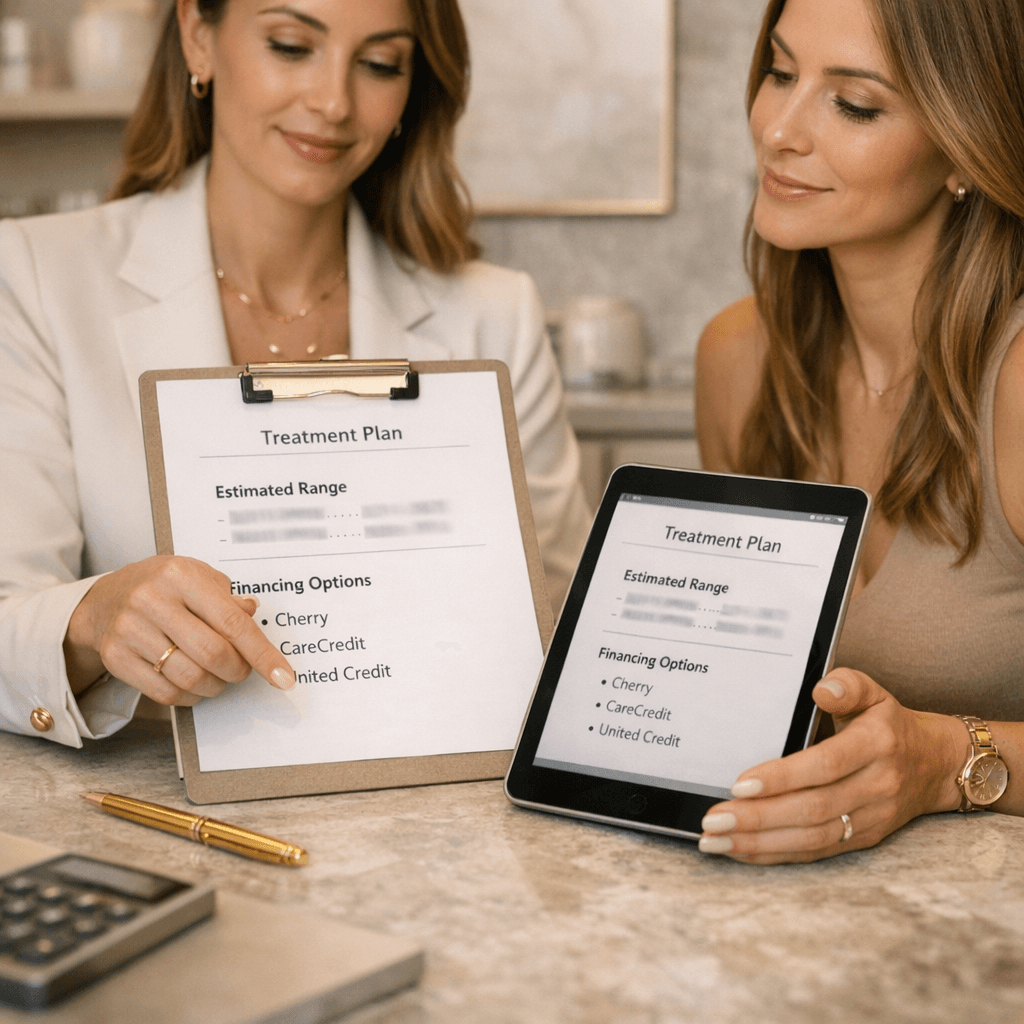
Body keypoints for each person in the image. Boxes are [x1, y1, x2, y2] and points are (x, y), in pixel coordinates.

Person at [0, 0, 590, 747]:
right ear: (198, 36)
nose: (333, 103)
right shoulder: (39, 277)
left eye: (380, 64)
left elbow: (561, 619)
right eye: (290, 45)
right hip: (152, 814)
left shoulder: (492, 313)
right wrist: (92, 622)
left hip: (426, 810)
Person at [695, 0, 1024, 862]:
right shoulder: (739, 359)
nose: (779, 130)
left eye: (856, 104)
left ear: (964, 144)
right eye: (779, 72)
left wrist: (947, 760)